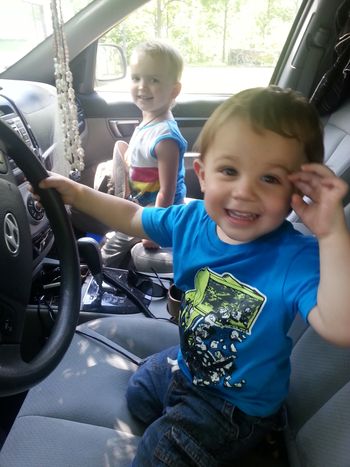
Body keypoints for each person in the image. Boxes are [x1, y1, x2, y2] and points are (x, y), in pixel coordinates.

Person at [34, 86, 350, 466]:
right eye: (229, 171)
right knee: (139, 393)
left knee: (157, 454)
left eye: (270, 179)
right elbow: (134, 218)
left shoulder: (295, 257)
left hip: (236, 406)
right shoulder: (191, 218)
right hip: (189, 366)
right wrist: (78, 194)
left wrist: (332, 233)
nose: (244, 191)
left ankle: (255, 438)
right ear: (202, 173)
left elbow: (340, 326)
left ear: (298, 191)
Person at [100, 40, 187, 268]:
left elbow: (167, 192)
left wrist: (153, 231)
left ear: (174, 90)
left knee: (112, 246)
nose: (142, 86)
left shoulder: (165, 137)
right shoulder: (149, 120)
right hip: (140, 203)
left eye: (154, 80)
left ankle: (100, 275)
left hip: (153, 213)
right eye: (136, 78)